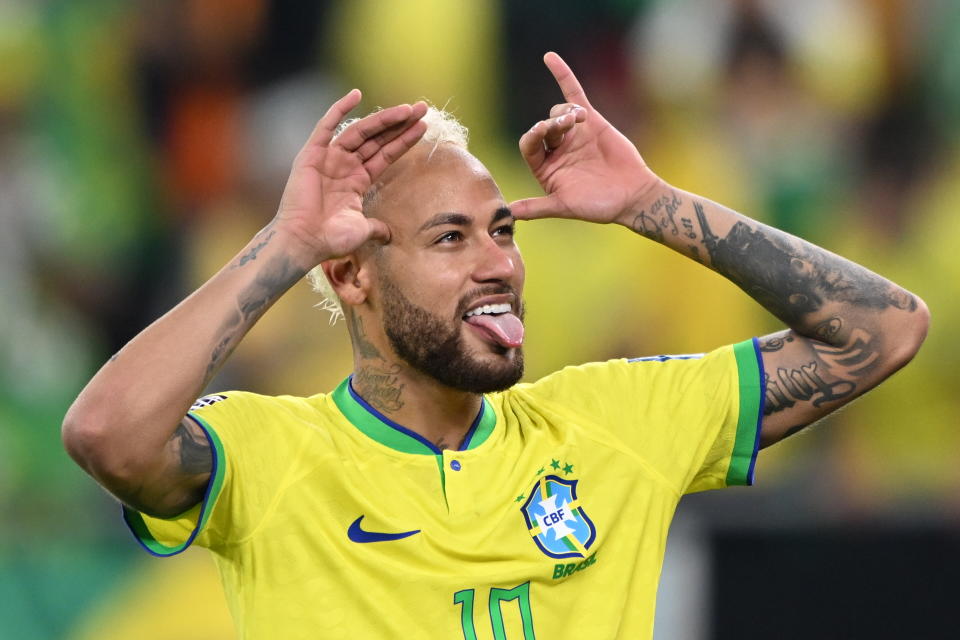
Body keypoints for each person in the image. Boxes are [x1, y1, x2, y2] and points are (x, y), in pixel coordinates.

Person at [62, 53, 929, 639]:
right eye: (450, 240)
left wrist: (649, 204)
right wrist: (288, 243)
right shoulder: (270, 456)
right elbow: (108, 434)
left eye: (503, 231)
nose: (498, 266)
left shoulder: (612, 423)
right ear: (353, 277)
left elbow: (884, 329)